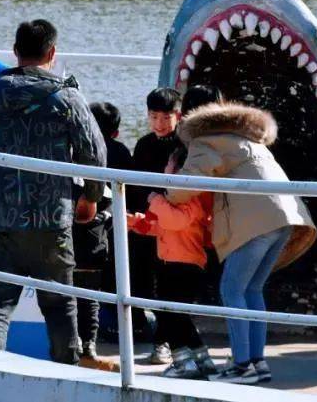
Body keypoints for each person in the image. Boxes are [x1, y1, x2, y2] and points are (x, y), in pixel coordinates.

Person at [0, 19, 108, 366]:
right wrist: (90, 198)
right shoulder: (66, 96)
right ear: (52, 53)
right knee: (59, 304)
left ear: (15, 52)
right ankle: (67, 375)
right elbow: (95, 154)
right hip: (50, 219)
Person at [168, 101, 317, 385]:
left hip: (255, 222)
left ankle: (241, 365)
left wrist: (166, 186)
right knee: (252, 289)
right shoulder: (249, 139)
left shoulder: (204, 141)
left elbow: (186, 186)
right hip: (285, 218)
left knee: (232, 289)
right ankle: (257, 362)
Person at [127, 149, 216, 379]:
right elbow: (163, 225)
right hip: (171, 261)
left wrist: (153, 199)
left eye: (168, 163)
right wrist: (137, 223)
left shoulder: (193, 197)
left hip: (184, 264)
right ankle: (201, 357)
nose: (165, 167)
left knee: (170, 315)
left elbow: (176, 221)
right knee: (178, 315)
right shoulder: (175, 199)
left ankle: (182, 361)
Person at [113, 87, 182, 364]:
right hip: (147, 223)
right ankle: (153, 329)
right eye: (154, 117)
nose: (159, 124)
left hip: (175, 224)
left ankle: (165, 340)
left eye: (166, 117)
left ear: (178, 115)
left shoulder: (184, 147)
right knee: (144, 279)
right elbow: (135, 186)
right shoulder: (143, 145)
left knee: (170, 283)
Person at [69, 102, 126, 372]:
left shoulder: (74, 150)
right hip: (98, 235)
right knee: (90, 295)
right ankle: (89, 349)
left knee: (66, 293)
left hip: (68, 231)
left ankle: (73, 347)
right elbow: (126, 195)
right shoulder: (120, 152)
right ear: (115, 131)